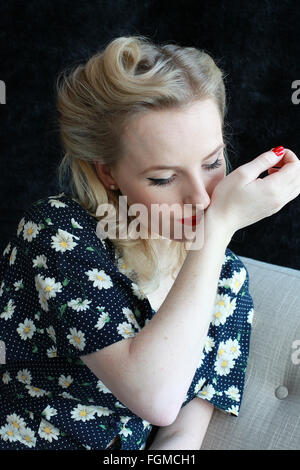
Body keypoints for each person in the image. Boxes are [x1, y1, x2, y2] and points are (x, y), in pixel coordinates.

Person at [0, 35, 299, 451]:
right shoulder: (58, 230)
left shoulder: (227, 279)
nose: (201, 197)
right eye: (163, 178)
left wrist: (212, 244)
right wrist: (216, 231)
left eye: (213, 162)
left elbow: (179, 433)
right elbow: (155, 399)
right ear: (109, 175)